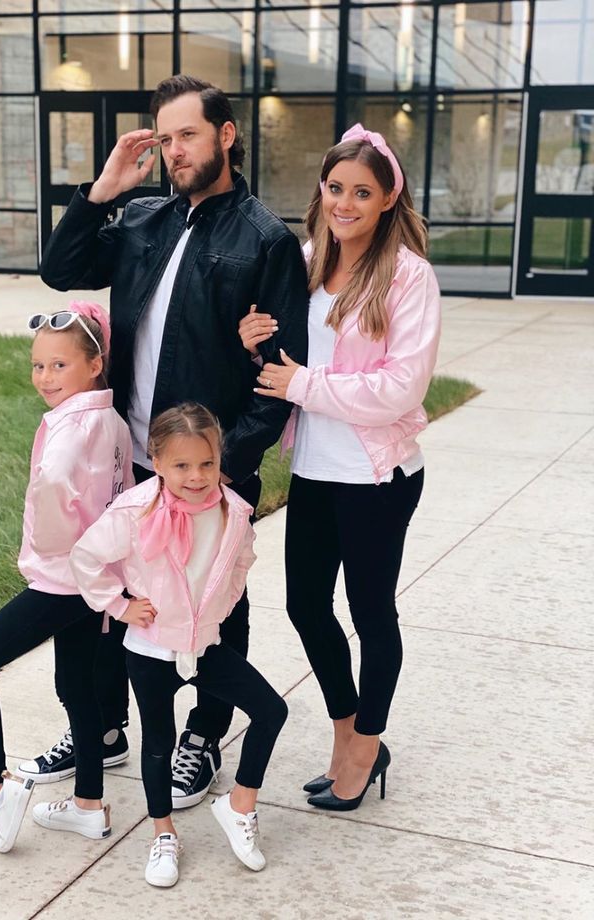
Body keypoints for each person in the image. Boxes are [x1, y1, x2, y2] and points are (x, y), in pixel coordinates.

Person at [38, 74, 308, 807]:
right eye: (165, 140)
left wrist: (221, 470)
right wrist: (103, 190)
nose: (174, 152)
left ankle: (202, 737)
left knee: (214, 604)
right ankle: (105, 728)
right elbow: (61, 270)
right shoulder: (143, 218)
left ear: (226, 135)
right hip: (127, 464)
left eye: (188, 135)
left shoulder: (266, 241)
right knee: (116, 597)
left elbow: (283, 377)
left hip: (204, 473)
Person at [239, 124, 441, 811]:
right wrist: (254, 340)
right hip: (317, 469)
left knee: (370, 614)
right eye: (335, 189)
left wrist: (299, 385)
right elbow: (281, 358)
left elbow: (398, 390)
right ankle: (348, 731)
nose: (345, 203)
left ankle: (364, 745)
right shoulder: (305, 261)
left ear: (389, 198)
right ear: (320, 192)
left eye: (362, 191)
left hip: (378, 476)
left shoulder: (409, 277)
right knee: (303, 605)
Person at [69, 403, 288, 887]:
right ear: (158, 461)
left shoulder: (232, 511)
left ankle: (239, 806)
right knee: (159, 744)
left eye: (207, 463)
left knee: (271, 711)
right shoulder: (134, 511)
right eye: (182, 465)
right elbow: (85, 556)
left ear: (219, 458)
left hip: (205, 645)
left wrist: (219, 609)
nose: (197, 476)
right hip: (150, 649)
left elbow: (241, 561)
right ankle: (162, 833)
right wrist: (119, 605)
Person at [0, 302, 134, 853]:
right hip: (94, 577)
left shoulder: (71, 428)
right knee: (75, 684)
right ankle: (87, 806)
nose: (45, 378)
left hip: (63, 578)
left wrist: (53, 549)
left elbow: (54, 483)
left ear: (95, 364)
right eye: (38, 366)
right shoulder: (112, 419)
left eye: (59, 366)